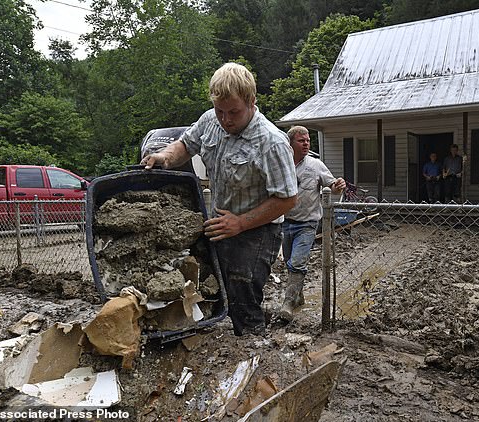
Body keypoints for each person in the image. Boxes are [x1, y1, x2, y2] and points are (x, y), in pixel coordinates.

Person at [141, 63, 298, 336]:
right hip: (220, 221)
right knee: (208, 284)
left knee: (242, 291)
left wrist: (240, 223)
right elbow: (185, 145)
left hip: (258, 229)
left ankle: (252, 342)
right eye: (220, 111)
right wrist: (165, 156)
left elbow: (287, 199)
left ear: (252, 101)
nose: (226, 119)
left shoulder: (272, 142)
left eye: (233, 112)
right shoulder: (210, 121)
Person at [278, 126, 345, 322]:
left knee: (298, 262)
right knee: (291, 264)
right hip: (284, 222)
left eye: (308, 140)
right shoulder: (282, 165)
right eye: (301, 141)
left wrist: (338, 186)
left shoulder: (316, 165)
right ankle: (298, 298)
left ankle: (288, 304)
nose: (306, 143)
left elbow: (332, 187)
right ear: (290, 143)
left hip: (307, 223)